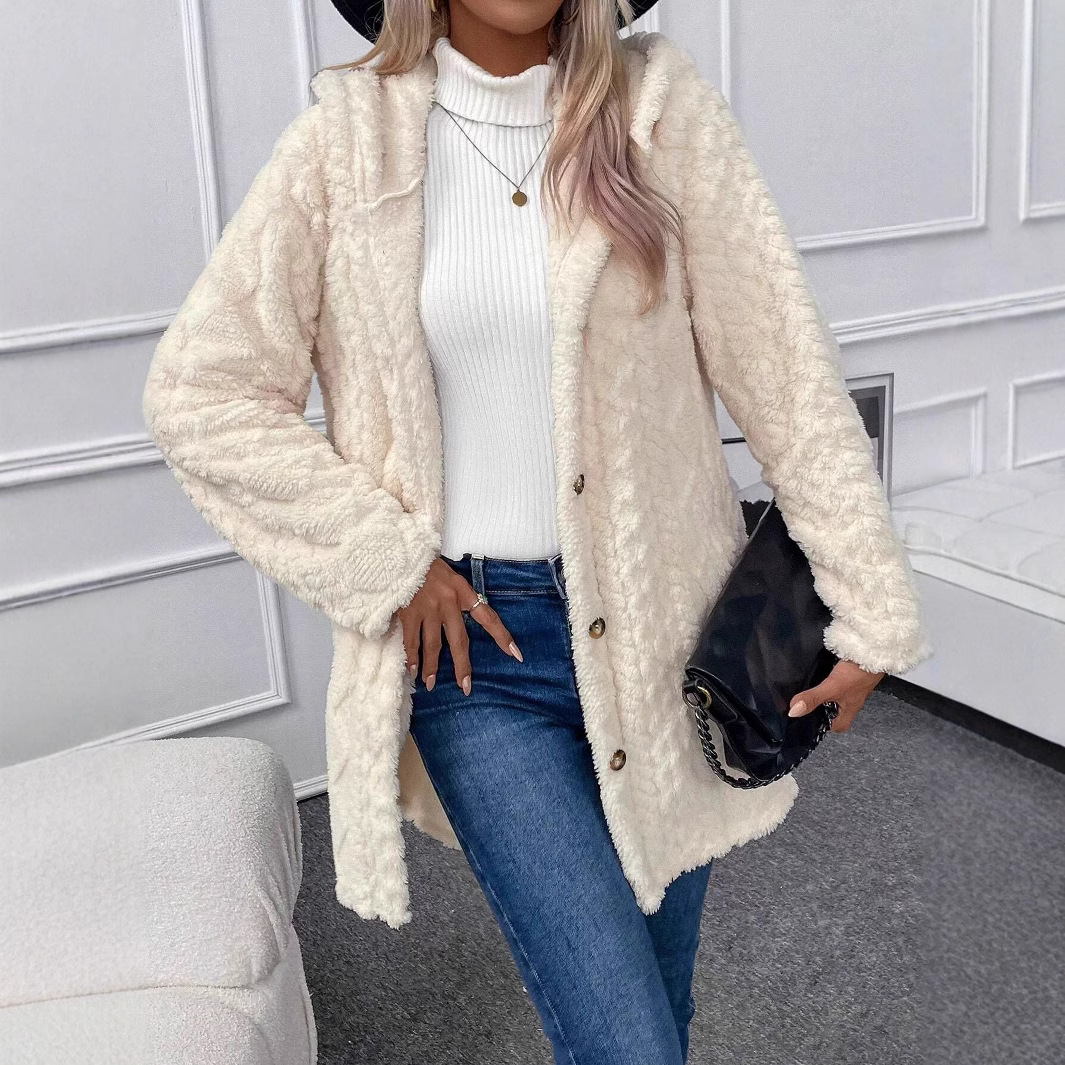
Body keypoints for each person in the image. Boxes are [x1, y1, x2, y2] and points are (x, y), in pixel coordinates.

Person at [141, 1, 933, 1061]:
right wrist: (388, 562)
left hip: (668, 639)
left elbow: (786, 375)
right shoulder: (346, 143)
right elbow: (202, 391)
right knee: (624, 1042)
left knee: (654, 1014)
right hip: (481, 661)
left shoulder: (658, 114)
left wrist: (868, 603)